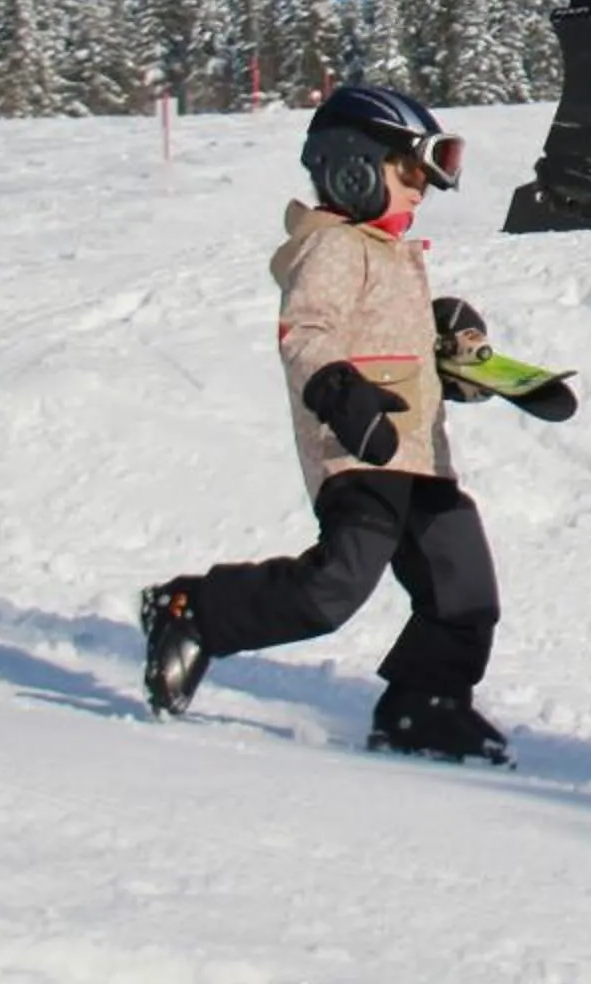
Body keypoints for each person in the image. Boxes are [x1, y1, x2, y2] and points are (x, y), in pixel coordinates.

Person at [139, 86, 530, 765]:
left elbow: (396, 341)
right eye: (413, 169)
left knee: (464, 590)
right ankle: (192, 610)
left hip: (420, 457)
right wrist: (340, 392)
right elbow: (306, 333)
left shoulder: (392, 252)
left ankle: (424, 705)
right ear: (353, 166)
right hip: (358, 453)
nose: (426, 186)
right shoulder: (332, 249)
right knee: (331, 591)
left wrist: (451, 351)